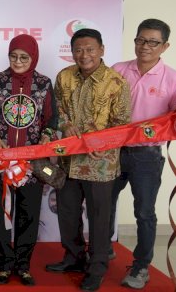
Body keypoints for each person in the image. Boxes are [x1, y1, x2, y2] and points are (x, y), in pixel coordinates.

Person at [46, 28, 131, 291]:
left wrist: (101, 141)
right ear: (72, 52)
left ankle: (97, 268)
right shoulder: (64, 77)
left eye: (90, 49)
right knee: (67, 214)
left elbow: (123, 125)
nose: (84, 55)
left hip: (100, 165)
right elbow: (56, 109)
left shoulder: (116, 82)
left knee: (98, 218)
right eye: (79, 50)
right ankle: (73, 258)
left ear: (102, 50)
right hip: (68, 162)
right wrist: (65, 124)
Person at [109, 19, 176, 289]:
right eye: (140, 40)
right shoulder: (118, 70)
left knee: (144, 212)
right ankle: (102, 251)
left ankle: (141, 266)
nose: (145, 46)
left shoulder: (174, 79)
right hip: (113, 150)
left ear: (165, 46)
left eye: (153, 42)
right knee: (103, 205)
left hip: (148, 156)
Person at [0, 34, 57, 286]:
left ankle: (23, 265)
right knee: (3, 216)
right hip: (0, 163)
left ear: (33, 57)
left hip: (31, 165)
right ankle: (4, 266)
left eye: (24, 57)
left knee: (28, 216)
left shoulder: (44, 84)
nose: (18, 61)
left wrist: (43, 142)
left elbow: (52, 120)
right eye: (13, 56)